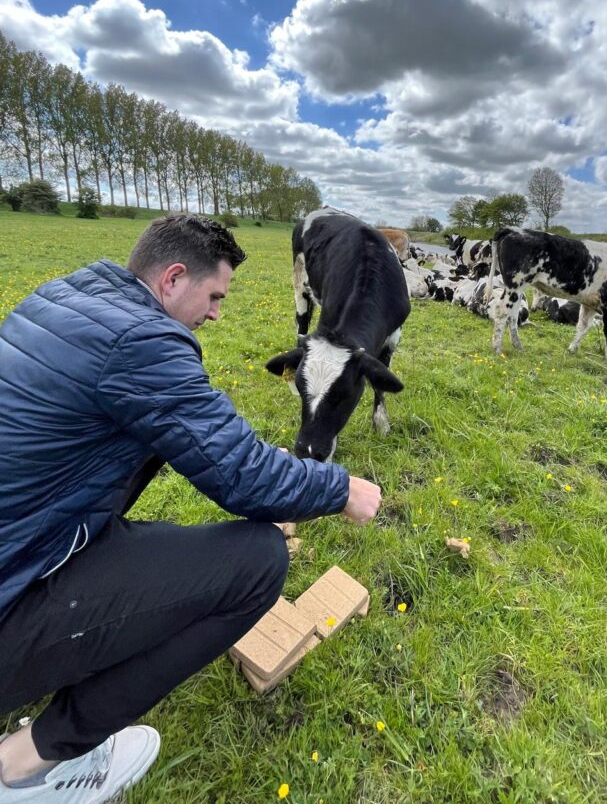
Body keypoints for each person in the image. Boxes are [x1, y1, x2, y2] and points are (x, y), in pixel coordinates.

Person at [0, 214, 381, 802]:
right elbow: (242, 476)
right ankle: (29, 764)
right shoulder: (141, 341)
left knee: (145, 544)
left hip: (30, 541)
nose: (216, 314)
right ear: (173, 278)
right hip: (13, 591)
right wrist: (339, 488)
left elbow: (204, 440)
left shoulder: (67, 295)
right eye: (214, 296)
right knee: (257, 560)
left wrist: (260, 463)